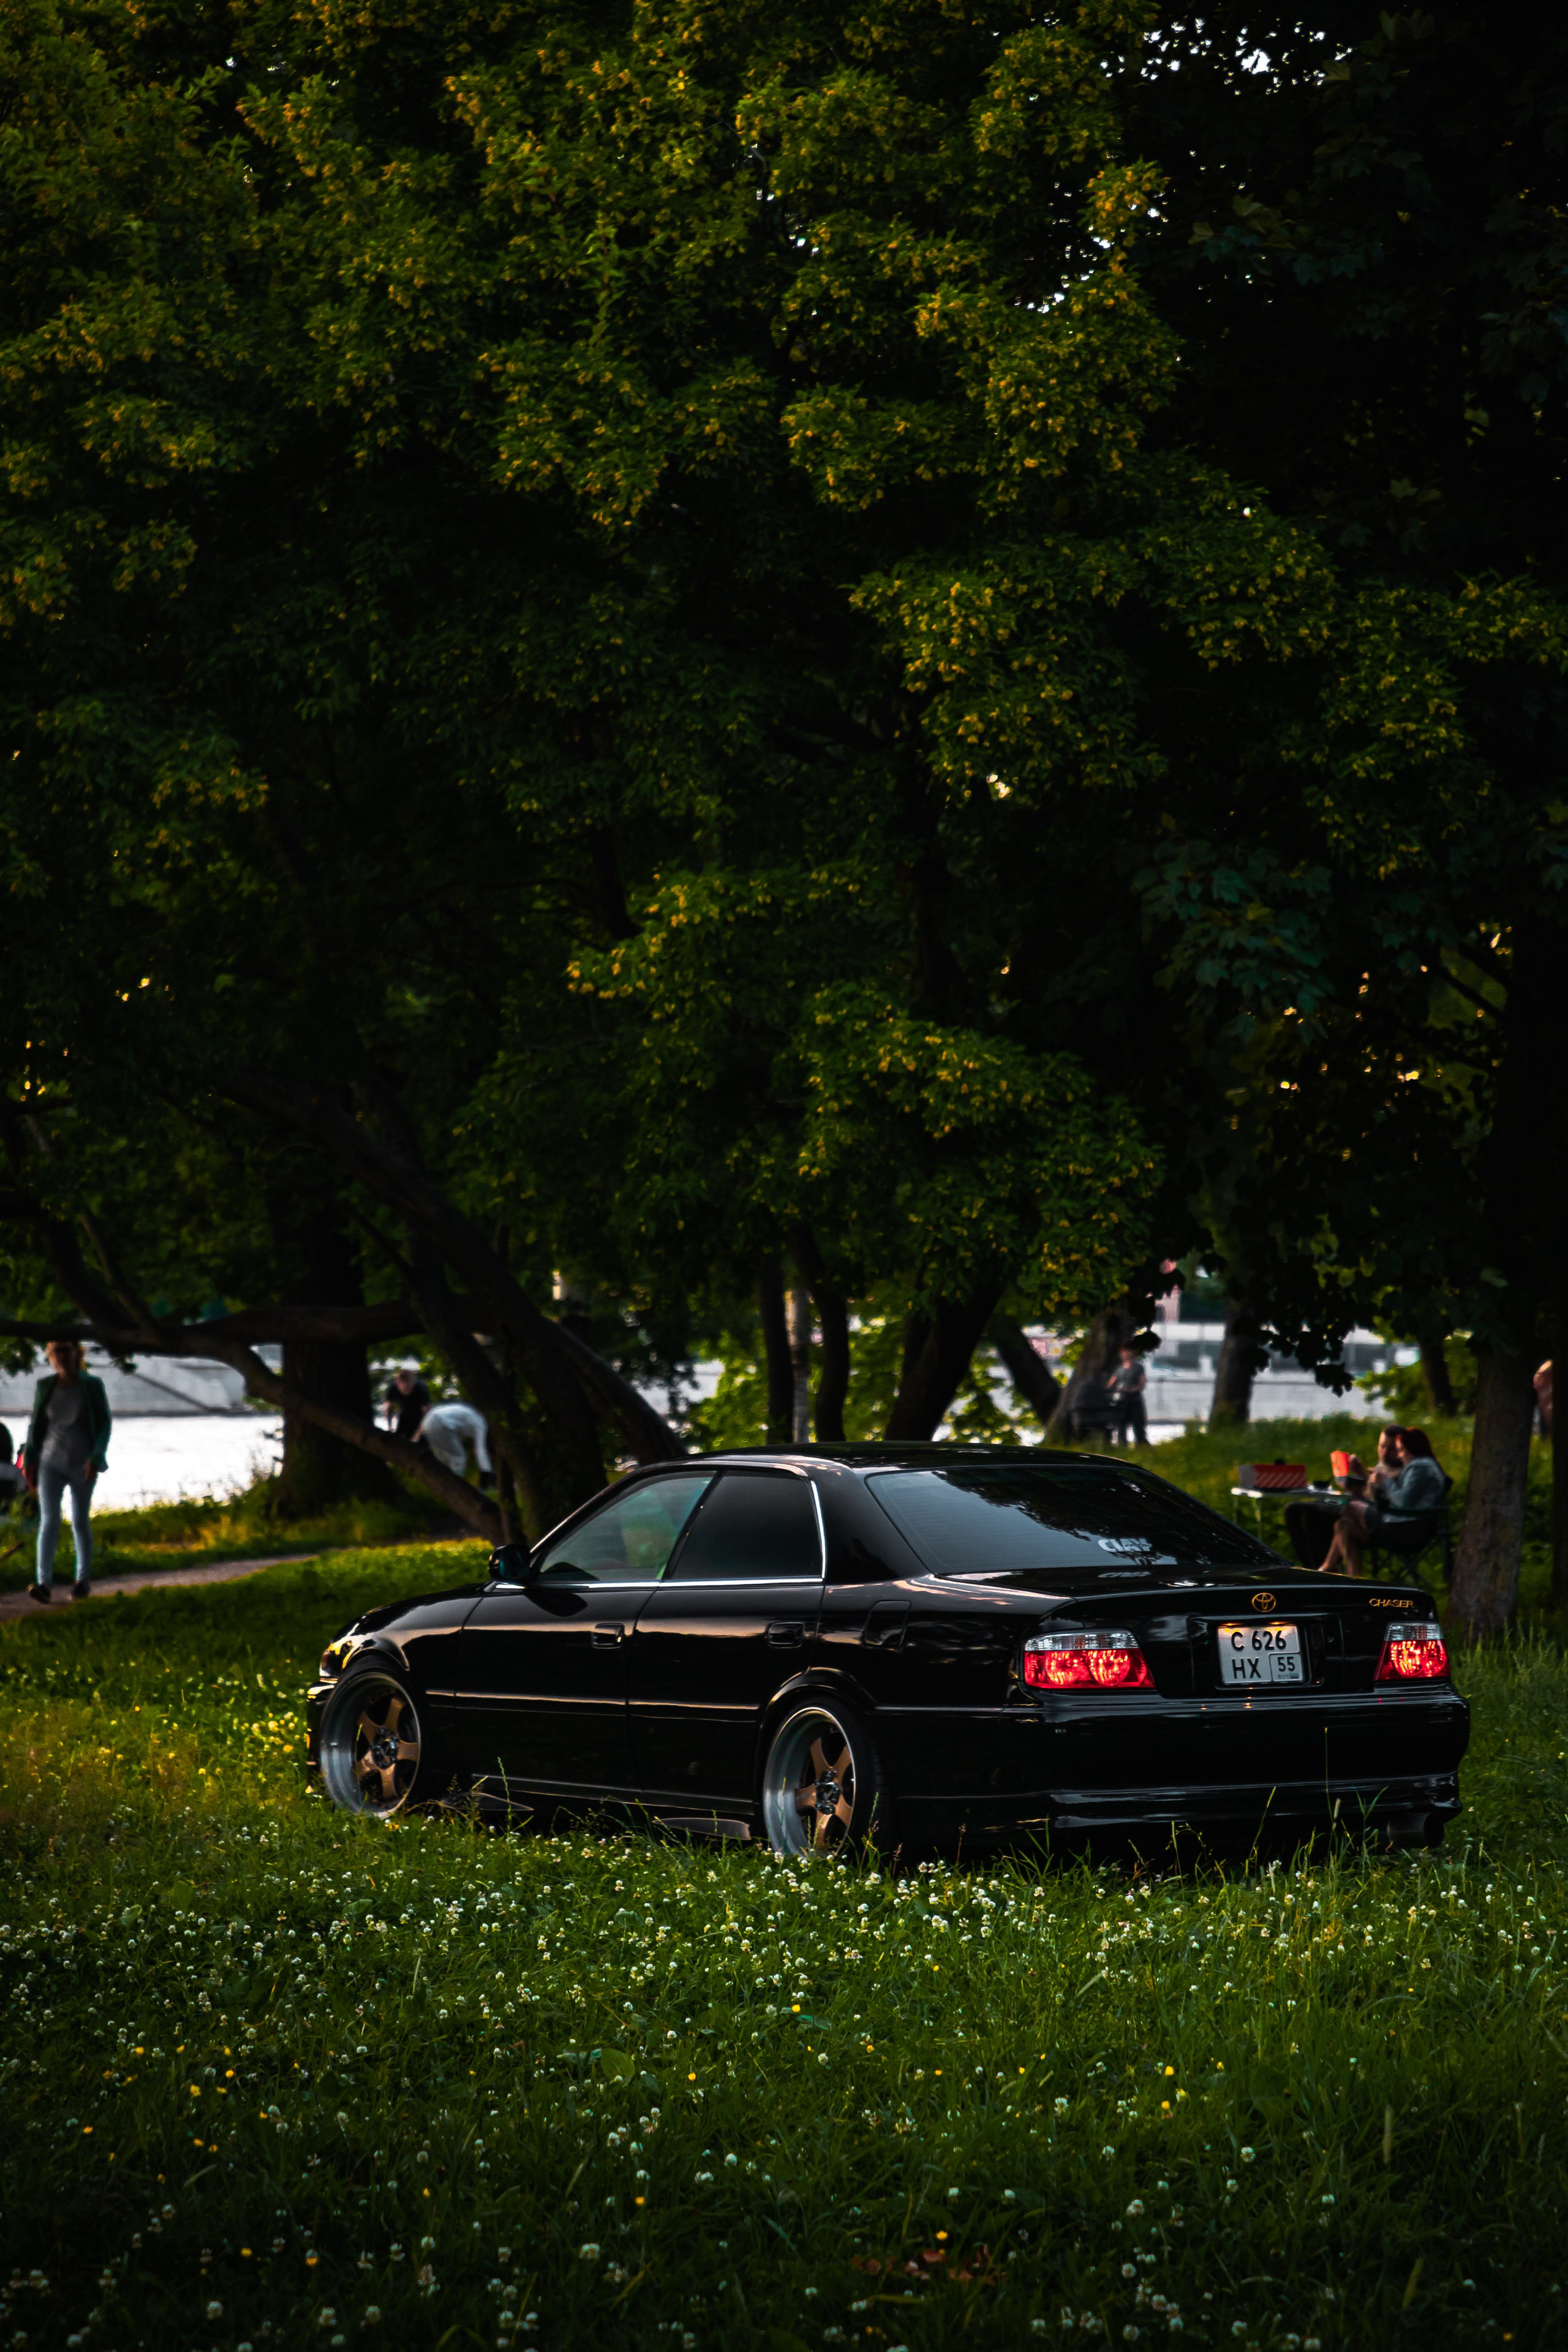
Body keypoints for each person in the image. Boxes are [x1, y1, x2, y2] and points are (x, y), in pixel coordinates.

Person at [23, 1340, 111, 1603]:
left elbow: (105, 1424)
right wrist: (30, 1459)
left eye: (65, 1350)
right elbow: (36, 1425)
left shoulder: (92, 1385)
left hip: (82, 1461)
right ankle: (43, 1584)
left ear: (76, 1353)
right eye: (54, 1352)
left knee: (80, 1521)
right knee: (49, 1521)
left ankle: (82, 1581)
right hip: (51, 1461)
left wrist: (96, 1457)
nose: (60, 1356)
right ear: (49, 1357)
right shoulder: (45, 1386)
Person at [1319, 1427, 1447, 1579]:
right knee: (1343, 1526)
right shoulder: (1424, 1466)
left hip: (1405, 1530)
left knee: (1350, 1506)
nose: (1400, 1456)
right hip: (1403, 1524)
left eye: (1400, 1450)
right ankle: (1354, 1579)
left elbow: (1403, 1501)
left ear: (1411, 1449)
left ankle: (1331, 1569)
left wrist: (1385, 1482)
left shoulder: (1419, 1467)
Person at [1284, 1423, 1404, 1570]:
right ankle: (1313, 1568)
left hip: (1364, 1517)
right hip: (1355, 1505)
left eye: (1391, 1449)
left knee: (1309, 1516)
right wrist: (1359, 1476)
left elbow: (1385, 1501)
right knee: (1294, 1510)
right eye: (1381, 1447)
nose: (1384, 1453)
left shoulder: (1405, 1470)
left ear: (1402, 1448)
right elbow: (1370, 1493)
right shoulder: (1385, 1463)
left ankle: (1320, 1571)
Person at [416, 1398, 495, 1490]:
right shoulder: (481, 1423)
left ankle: (433, 1481)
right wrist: (486, 1472)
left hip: (428, 1422)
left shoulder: (467, 1412)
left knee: (441, 1457)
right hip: (440, 1423)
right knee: (459, 1458)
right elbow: (481, 1449)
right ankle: (453, 1488)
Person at [382, 1359, 431, 1443]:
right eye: (405, 1389)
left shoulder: (421, 1389)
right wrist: (389, 1427)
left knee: (420, 1441)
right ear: (398, 1384)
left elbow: (427, 1414)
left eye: (410, 1388)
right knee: (399, 1438)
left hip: (420, 1415)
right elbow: (388, 1408)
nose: (408, 1391)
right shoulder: (393, 1388)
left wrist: (417, 1435)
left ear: (414, 1383)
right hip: (404, 1414)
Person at [1109, 1345, 1149, 1446]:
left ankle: (1141, 1445)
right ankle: (1122, 1446)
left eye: (1128, 1351)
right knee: (1121, 1424)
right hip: (1121, 1401)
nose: (1126, 1354)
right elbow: (1111, 1383)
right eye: (1124, 1352)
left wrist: (1132, 1390)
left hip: (1134, 1400)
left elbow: (1141, 1383)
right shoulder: (1119, 1368)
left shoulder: (1138, 1367)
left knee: (1138, 1424)